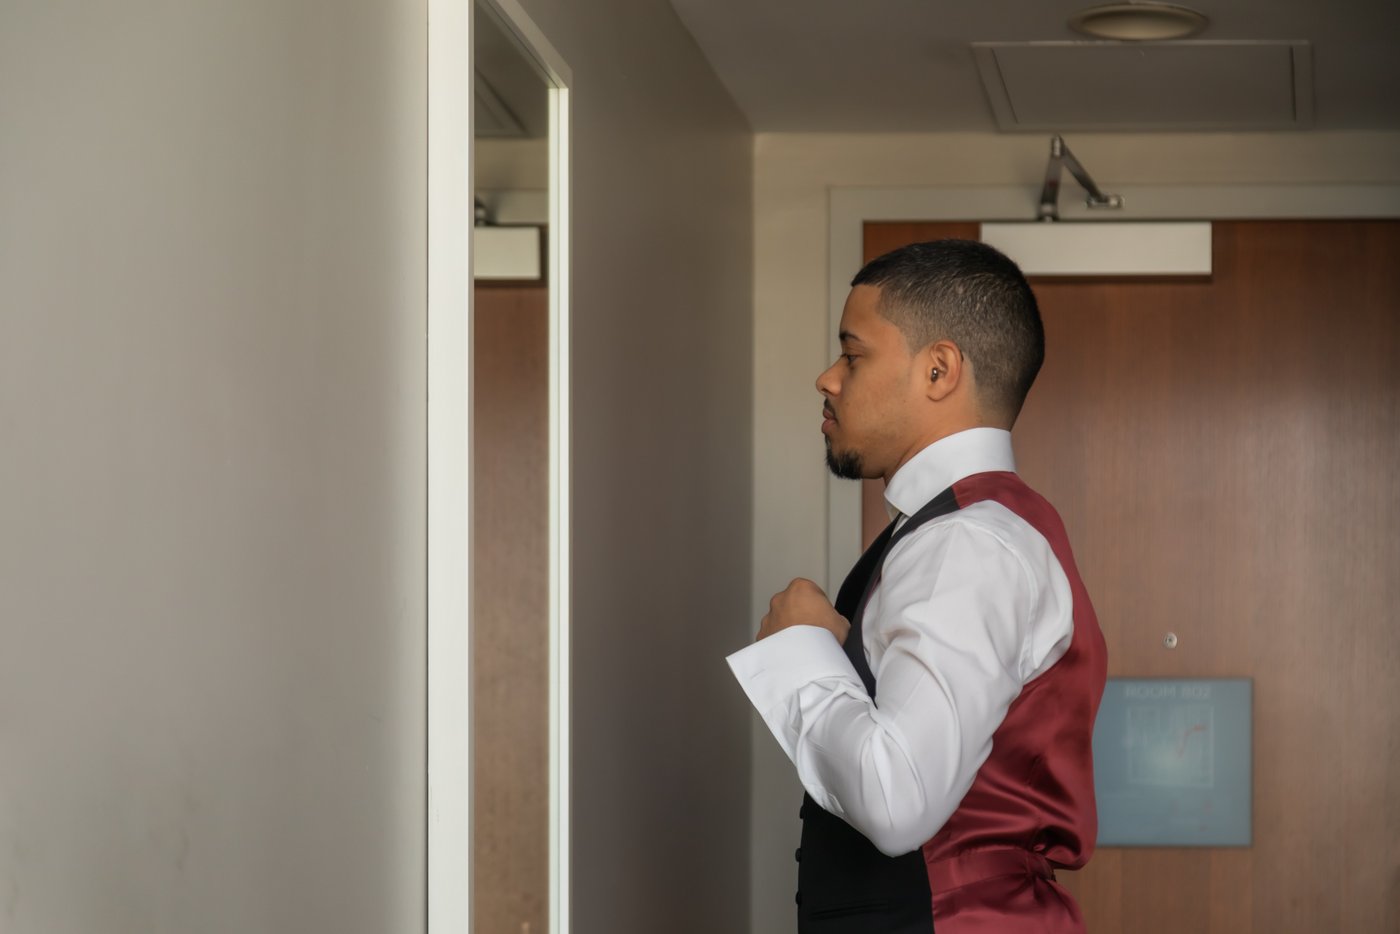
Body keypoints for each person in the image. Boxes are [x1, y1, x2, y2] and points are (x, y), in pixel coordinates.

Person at [728, 240, 1107, 933]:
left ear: (938, 370)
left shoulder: (966, 543)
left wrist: (803, 649)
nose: (827, 379)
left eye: (853, 355)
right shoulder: (964, 530)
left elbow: (896, 797)